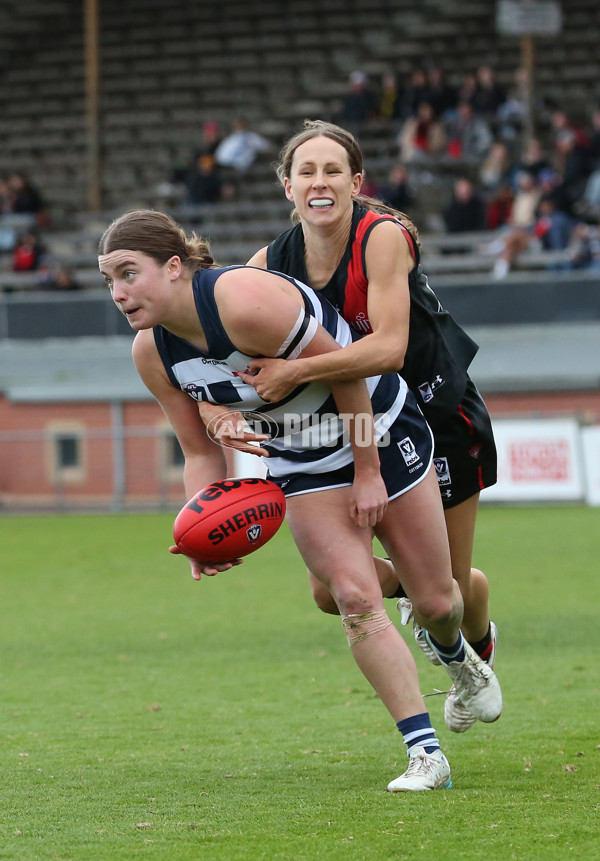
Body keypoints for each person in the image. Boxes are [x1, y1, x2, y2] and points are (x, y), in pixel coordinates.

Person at [98, 209, 502, 791]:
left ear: (174, 267)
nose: (118, 292)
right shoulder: (151, 353)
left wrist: (368, 472)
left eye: (128, 274)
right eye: (109, 279)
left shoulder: (242, 300)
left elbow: (348, 374)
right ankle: (425, 755)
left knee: (440, 602)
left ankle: (460, 657)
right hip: (301, 459)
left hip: (378, 430)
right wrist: (198, 530)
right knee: (352, 596)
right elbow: (199, 452)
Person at [199, 120, 501, 735]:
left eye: (332, 170)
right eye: (305, 172)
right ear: (287, 186)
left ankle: (476, 635)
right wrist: (212, 410)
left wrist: (293, 370)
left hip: (437, 417)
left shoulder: (383, 237)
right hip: (353, 430)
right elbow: (213, 340)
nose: (319, 181)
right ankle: (440, 590)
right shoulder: (270, 261)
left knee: (443, 600)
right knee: (326, 594)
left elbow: (389, 350)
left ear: (356, 182)